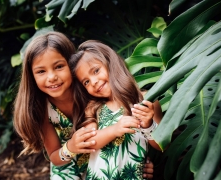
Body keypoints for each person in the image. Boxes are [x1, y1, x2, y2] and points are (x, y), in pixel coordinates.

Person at [13, 31, 155, 180]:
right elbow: (55, 157)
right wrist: (70, 148)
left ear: (73, 65)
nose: (52, 77)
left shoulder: (93, 92)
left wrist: (138, 161)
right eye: (41, 71)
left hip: (103, 161)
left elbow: (133, 127)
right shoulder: (43, 109)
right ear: (32, 76)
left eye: (59, 66)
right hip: (67, 166)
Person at [69, 40, 163, 179]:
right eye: (86, 82)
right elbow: (90, 142)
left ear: (110, 63)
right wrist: (114, 129)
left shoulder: (146, 101)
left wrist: (148, 124)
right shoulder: (94, 108)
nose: (93, 82)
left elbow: (162, 145)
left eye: (96, 71)